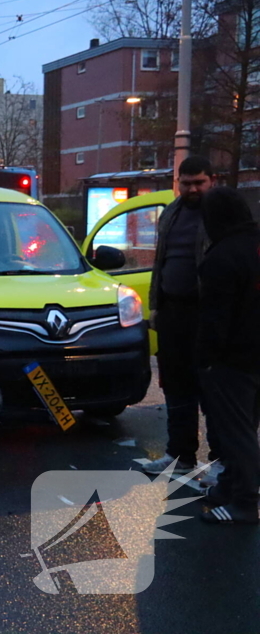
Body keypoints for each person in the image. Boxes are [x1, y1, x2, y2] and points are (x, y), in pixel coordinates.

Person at [141, 156, 221, 477]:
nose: (191, 189)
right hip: (173, 312)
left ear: (211, 180)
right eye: (185, 182)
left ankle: (220, 462)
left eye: (198, 182)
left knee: (213, 390)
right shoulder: (171, 213)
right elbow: (160, 261)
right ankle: (179, 455)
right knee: (175, 386)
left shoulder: (219, 215)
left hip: (205, 313)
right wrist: (156, 306)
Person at [195, 188, 260, 524]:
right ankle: (230, 486)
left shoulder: (222, 257)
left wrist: (206, 358)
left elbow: (215, 318)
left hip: (233, 358)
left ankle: (246, 501)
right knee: (247, 425)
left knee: (236, 431)